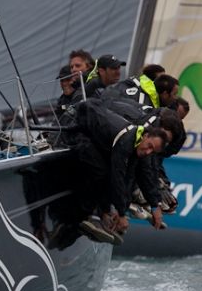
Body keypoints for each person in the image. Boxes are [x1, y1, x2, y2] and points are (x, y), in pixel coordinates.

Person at [66, 99, 169, 242]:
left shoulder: (139, 143)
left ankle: (103, 211)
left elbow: (135, 176)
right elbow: (117, 177)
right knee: (102, 171)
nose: (148, 152)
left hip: (91, 133)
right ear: (146, 136)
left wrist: (154, 204)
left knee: (115, 174)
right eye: (149, 146)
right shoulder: (126, 140)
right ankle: (89, 214)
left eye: (152, 151)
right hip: (75, 123)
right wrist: (120, 212)